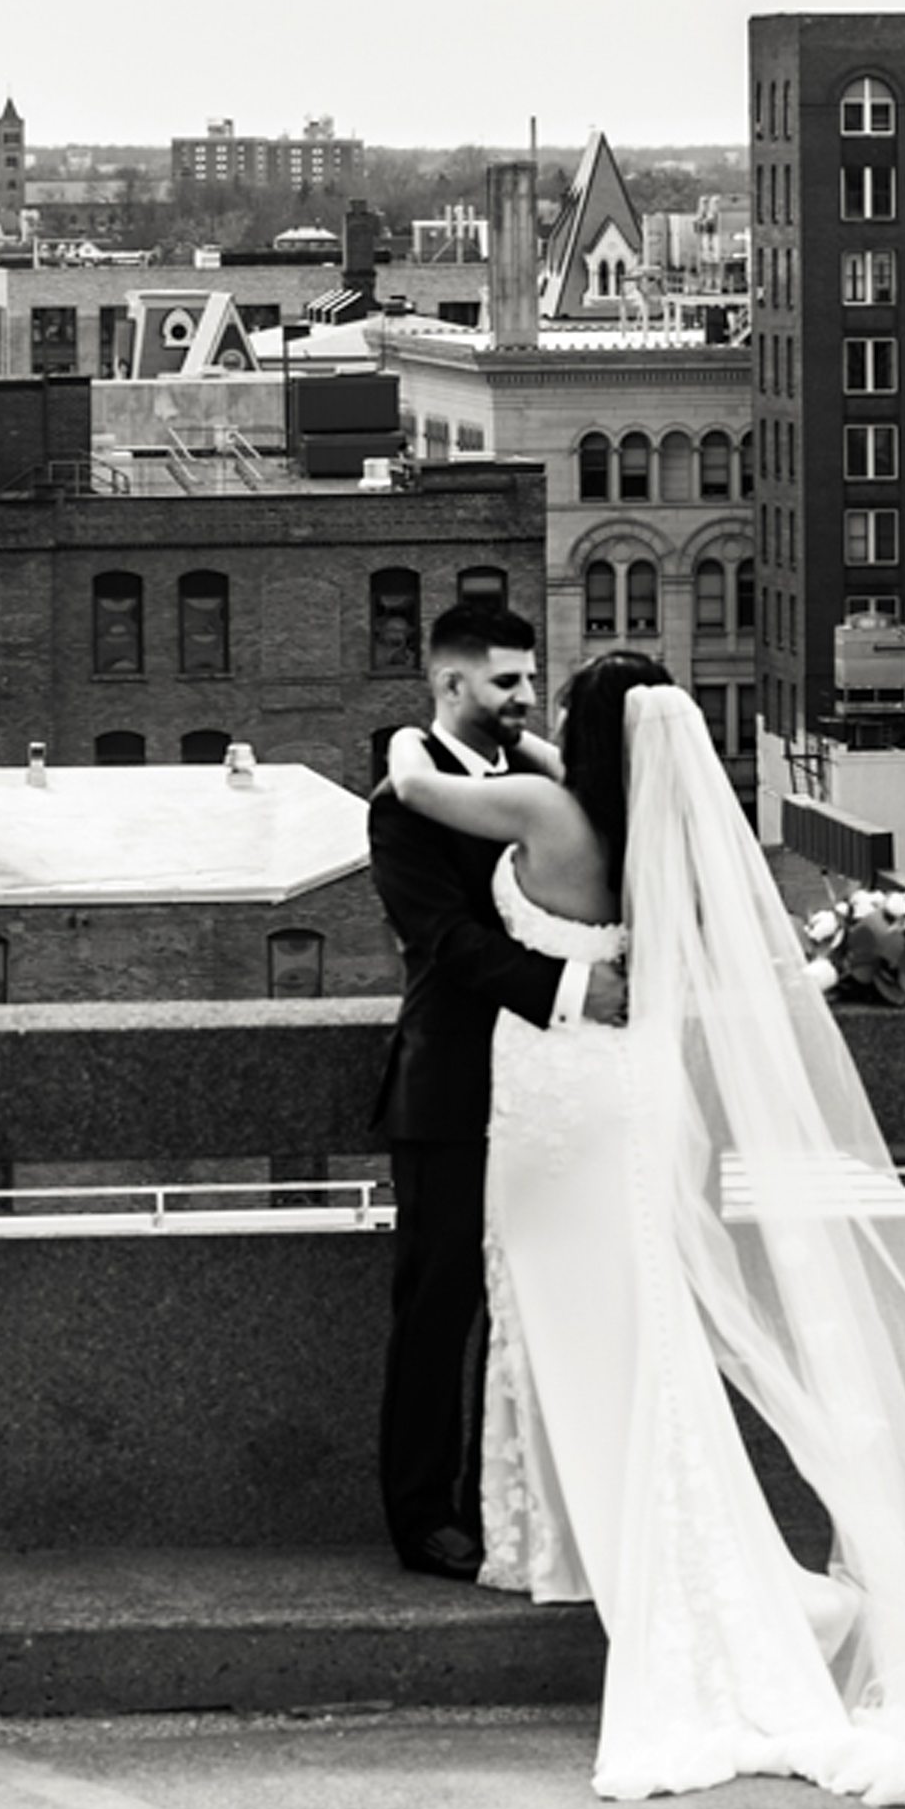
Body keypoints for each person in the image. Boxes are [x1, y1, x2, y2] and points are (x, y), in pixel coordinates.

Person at [380, 651, 905, 1809]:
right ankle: (585, 1542)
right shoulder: (657, 833)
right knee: (635, 1321)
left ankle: (591, 1548)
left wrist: (415, 727)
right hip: (632, 1099)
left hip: (558, 1106)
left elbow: (414, 790)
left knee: (571, 1314)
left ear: (586, 735)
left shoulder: (545, 808)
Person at [365, 600, 627, 1578]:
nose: (524, 697)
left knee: (538, 1299)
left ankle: (514, 1504)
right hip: (453, 1089)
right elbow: (446, 940)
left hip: (557, 1095)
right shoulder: (402, 803)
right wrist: (575, 988)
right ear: (450, 685)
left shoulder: (551, 780)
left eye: (531, 679)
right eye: (506, 681)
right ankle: (420, 1515)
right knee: (440, 1306)